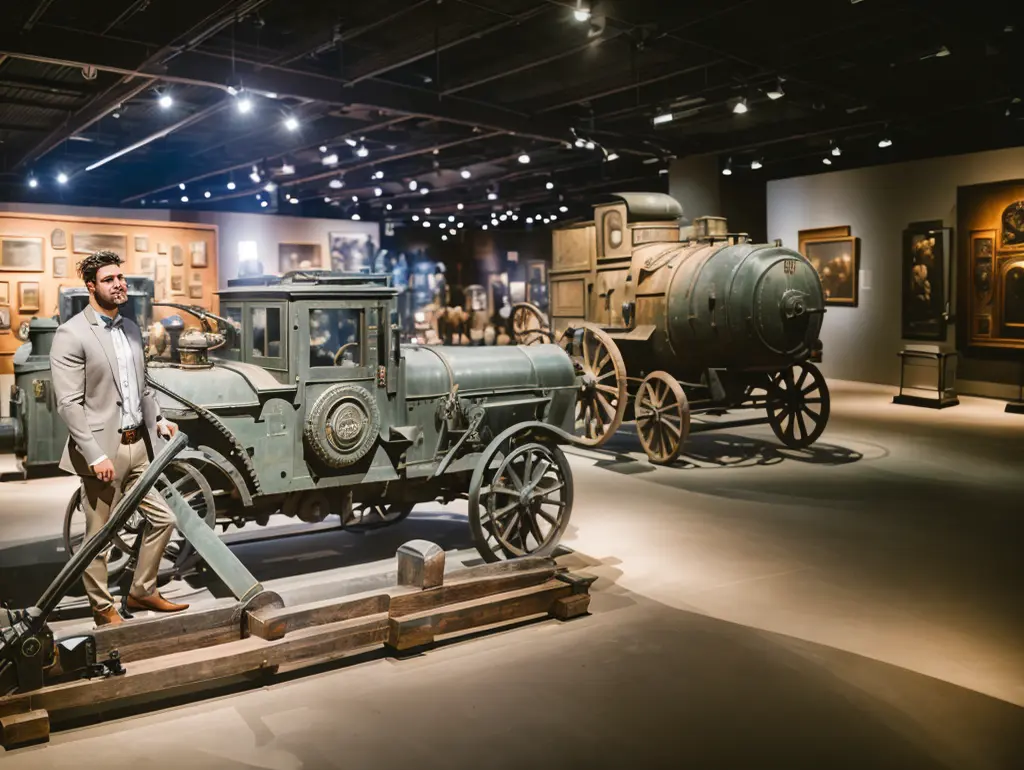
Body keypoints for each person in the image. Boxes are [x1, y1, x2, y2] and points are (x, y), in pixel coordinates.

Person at [49, 251, 189, 627]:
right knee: (98, 538)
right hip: (103, 453)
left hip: (138, 446)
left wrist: (157, 418)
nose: (119, 284)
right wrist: (94, 455)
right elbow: (68, 403)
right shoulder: (71, 333)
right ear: (91, 286)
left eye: (121, 277)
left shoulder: (129, 327)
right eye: (109, 279)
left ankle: (141, 591)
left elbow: (139, 386)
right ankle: (102, 608)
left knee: (164, 519)